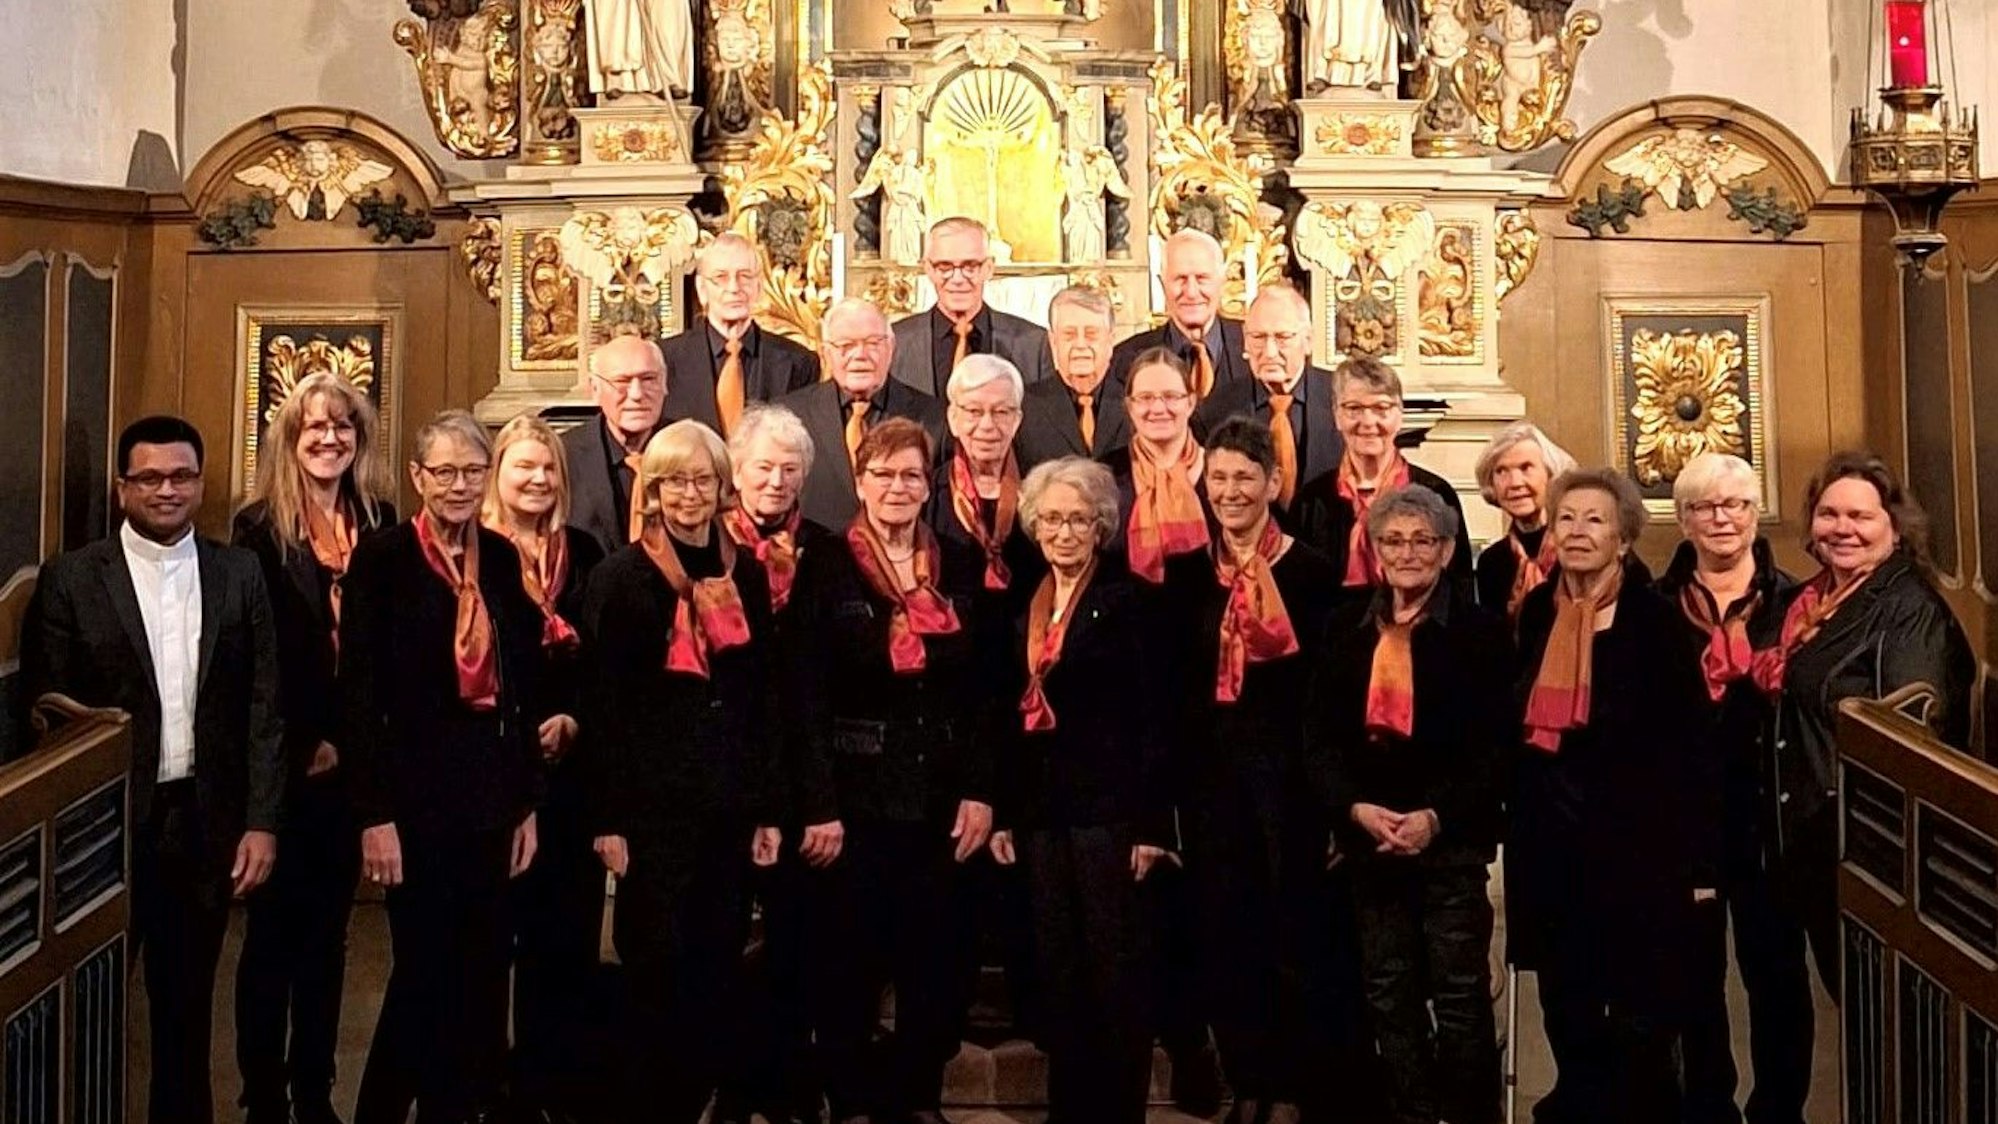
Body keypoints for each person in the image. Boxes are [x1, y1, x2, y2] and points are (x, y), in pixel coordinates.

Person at [24, 415, 283, 1124]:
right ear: (122, 488)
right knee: (84, 1018)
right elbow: (45, 713)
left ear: (200, 483)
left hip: (203, 825)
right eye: (150, 478)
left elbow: (265, 705)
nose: (167, 490)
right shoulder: (72, 578)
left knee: (186, 1018)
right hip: (102, 832)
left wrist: (261, 822)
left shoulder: (239, 571)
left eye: (182, 476)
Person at [343, 411, 548, 1124]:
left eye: (472, 471)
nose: (459, 485)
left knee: (484, 973)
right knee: (423, 975)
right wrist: (375, 817)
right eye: (445, 472)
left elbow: (521, 686)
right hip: (413, 804)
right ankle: (380, 1111)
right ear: (416, 477)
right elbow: (360, 695)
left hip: (492, 801)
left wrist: (527, 803)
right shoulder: (383, 558)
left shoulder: (497, 554)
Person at [790, 418, 996, 1124]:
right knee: (849, 959)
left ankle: (918, 1096)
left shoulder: (962, 564)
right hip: (854, 797)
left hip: (941, 796)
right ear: (860, 482)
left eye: (912, 474)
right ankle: (850, 1098)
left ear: (929, 484)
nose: (898, 487)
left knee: (936, 962)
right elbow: (806, 695)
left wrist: (980, 790)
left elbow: (985, 693)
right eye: (884, 474)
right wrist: (818, 804)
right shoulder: (823, 564)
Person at [584, 420, 783, 1124]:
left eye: (703, 480)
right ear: (653, 491)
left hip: (728, 806)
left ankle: (702, 1099)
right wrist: (607, 820)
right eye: (675, 481)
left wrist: (765, 808)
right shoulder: (620, 578)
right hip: (651, 814)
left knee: (716, 965)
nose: (690, 495)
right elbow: (603, 710)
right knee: (655, 969)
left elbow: (760, 697)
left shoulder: (744, 571)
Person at [1507, 468, 1716, 1124]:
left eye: (1595, 520)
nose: (1576, 532)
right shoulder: (1539, 610)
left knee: (1641, 1016)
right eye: (1566, 518)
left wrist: (1695, 864)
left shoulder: (1657, 622)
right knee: (1565, 1005)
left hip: (1636, 852)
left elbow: (1689, 748)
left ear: (1624, 537)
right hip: (1551, 843)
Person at [1312, 484, 1507, 1124]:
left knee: (1459, 998)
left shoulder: (1480, 632)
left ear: (1448, 550)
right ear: (1374, 550)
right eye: (1393, 540)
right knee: (1388, 995)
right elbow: (1317, 740)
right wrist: (1355, 809)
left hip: (1448, 842)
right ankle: (1417, 1114)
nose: (1408, 552)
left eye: (1423, 540)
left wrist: (1435, 817)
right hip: (1370, 842)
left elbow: (1495, 745)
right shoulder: (1344, 627)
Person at [989, 456, 1175, 1124]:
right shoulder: (1025, 602)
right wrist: (1006, 813)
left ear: (1100, 527)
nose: (1064, 532)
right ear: (1034, 528)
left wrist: (1155, 825)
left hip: (1111, 814)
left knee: (1113, 971)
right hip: (1042, 814)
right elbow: (1007, 717)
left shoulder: (1132, 603)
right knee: (1059, 968)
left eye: (1078, 520)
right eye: (1051, 521)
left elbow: (1157, 721)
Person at [1181, 417, 1356, 1124]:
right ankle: (1246, 1078)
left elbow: (1331, 695)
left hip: (1292, 786)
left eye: (1243, 478)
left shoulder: (1313, 573)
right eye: (1218, 478)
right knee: (1227, 935)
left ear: (1272, 484)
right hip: (1214, 784)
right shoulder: (1188, 574)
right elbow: (1175, 692)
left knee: (1294, 938)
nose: (1229, 491)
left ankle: (1289, 1089)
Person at [230, 376, 394, 1124]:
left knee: (330, 941)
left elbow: (384, 653)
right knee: (272, 944)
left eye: (343, 429)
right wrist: (305, 742)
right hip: (284, 766)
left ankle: (314, 1090)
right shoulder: (258, 529)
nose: (329, 440)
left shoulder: (383, 521)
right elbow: (257, 658)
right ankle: (262, 1094)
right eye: (314, 430)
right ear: (290, 441)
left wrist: (351, 745)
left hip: (352, 766)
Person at [1755, 452, 1974, 1002]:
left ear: (1894, 528)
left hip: (1873, 861)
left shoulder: (1909, 611)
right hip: (1817, 855)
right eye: (1829, 514)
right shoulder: (1817, 598)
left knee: (1881, 1024)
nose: (1842, 529)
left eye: (1860, 516)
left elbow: (1912, 745)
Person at [1651, 453, 1796, 1124]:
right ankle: (1707, 1108)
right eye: (1705, 507)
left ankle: (1778, 1110)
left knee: (1777, 983)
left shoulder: (1796, 603)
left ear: (1754, 514)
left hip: (1769, 818)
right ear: (1683, 521)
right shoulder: (1652, 610)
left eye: (1735, 504)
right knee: (1692, 982)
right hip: (1685, 824)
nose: (1722, 518)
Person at [482, 414, 609, 1124]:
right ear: (498, 474)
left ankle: (547, 1084)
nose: (536, 479)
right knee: (493, 939)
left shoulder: (584, 551)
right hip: (497, 773)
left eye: (548, 468)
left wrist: (576, 718)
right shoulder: (476, 553)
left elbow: (603, 660)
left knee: (564, 940)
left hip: (572, 775)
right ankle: (487, 1088)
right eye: (523, 466)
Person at [716, 403, 839, 1124]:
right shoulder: (711, 551)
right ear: (738, 472)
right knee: (730, 941)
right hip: (733, 776)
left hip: (806, 776)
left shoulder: (825, 552)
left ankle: (792, 1083)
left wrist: (822, 797)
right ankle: (735, 1085)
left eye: (790, 469)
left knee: (800, 943)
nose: (776, 479)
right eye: (763, 466)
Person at [1295, 356, 1470, 595]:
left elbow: (1459, 591)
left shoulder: (1436, 494)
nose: (1368, 422)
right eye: (1354, 408)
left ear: (1400, 415)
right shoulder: (1311, 500)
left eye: (1381, 408)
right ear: (1336, 416)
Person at [784, 297, 946, 528]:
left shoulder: (934, 418)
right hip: (818, 558)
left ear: (891, 348)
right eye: (846, 345)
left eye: (872, 343)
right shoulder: (792, 415)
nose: (860, 355)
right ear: (826, 353)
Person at [1193, 284, 1344, 521]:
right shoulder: (1214, 412)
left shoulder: (1343, 398)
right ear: (1244, 341)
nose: (1270, 351)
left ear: (1307, 341)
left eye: (1282, 337)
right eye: (1258, 338)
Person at [660, 232, 821, 436]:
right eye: (721, 277)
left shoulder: (800, 363)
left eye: (745, 276)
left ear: (759, 287)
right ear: (702, 289)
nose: (734, 287)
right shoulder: (665, 360)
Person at [889, 217, 1055, 396]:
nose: (958, 279)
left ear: (989, 268)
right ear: (928, 269)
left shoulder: (1032, 344)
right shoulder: (894, 343)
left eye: (970, 266)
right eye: (945, 267)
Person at [1100, 347, 1212, 584]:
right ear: (1130, 406)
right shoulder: (1103, 477)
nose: (1158, 409)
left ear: (1190, 403)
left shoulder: (1221, 472)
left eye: (1171, 396)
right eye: (1145, 398)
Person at [1106, 229, 1245, 397]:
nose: (1191, 292)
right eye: (1180, 279)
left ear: (1221, 282)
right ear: (1162, 284)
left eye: (1202, 278)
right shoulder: (1124, 360)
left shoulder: (1255, 346)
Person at [568, 332, 670, 554]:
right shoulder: (565, 456)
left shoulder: (692, 450)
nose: (636, 394)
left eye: (648, 379)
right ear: (595, 389)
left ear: (664, 384)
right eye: (621, 382)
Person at [1471, 421, 1576, 621]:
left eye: (1526, 468)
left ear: (1550, 475)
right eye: (1501, 471)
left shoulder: (1578, 548)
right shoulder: (1491, 562)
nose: (1515, 483)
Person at [1016, 286, 1130, 468]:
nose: (1081, 345)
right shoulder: (1024, 408)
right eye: (1069, 335)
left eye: (1091, 335)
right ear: (1053, 342)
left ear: (1110, 340)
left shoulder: (1135, 402)